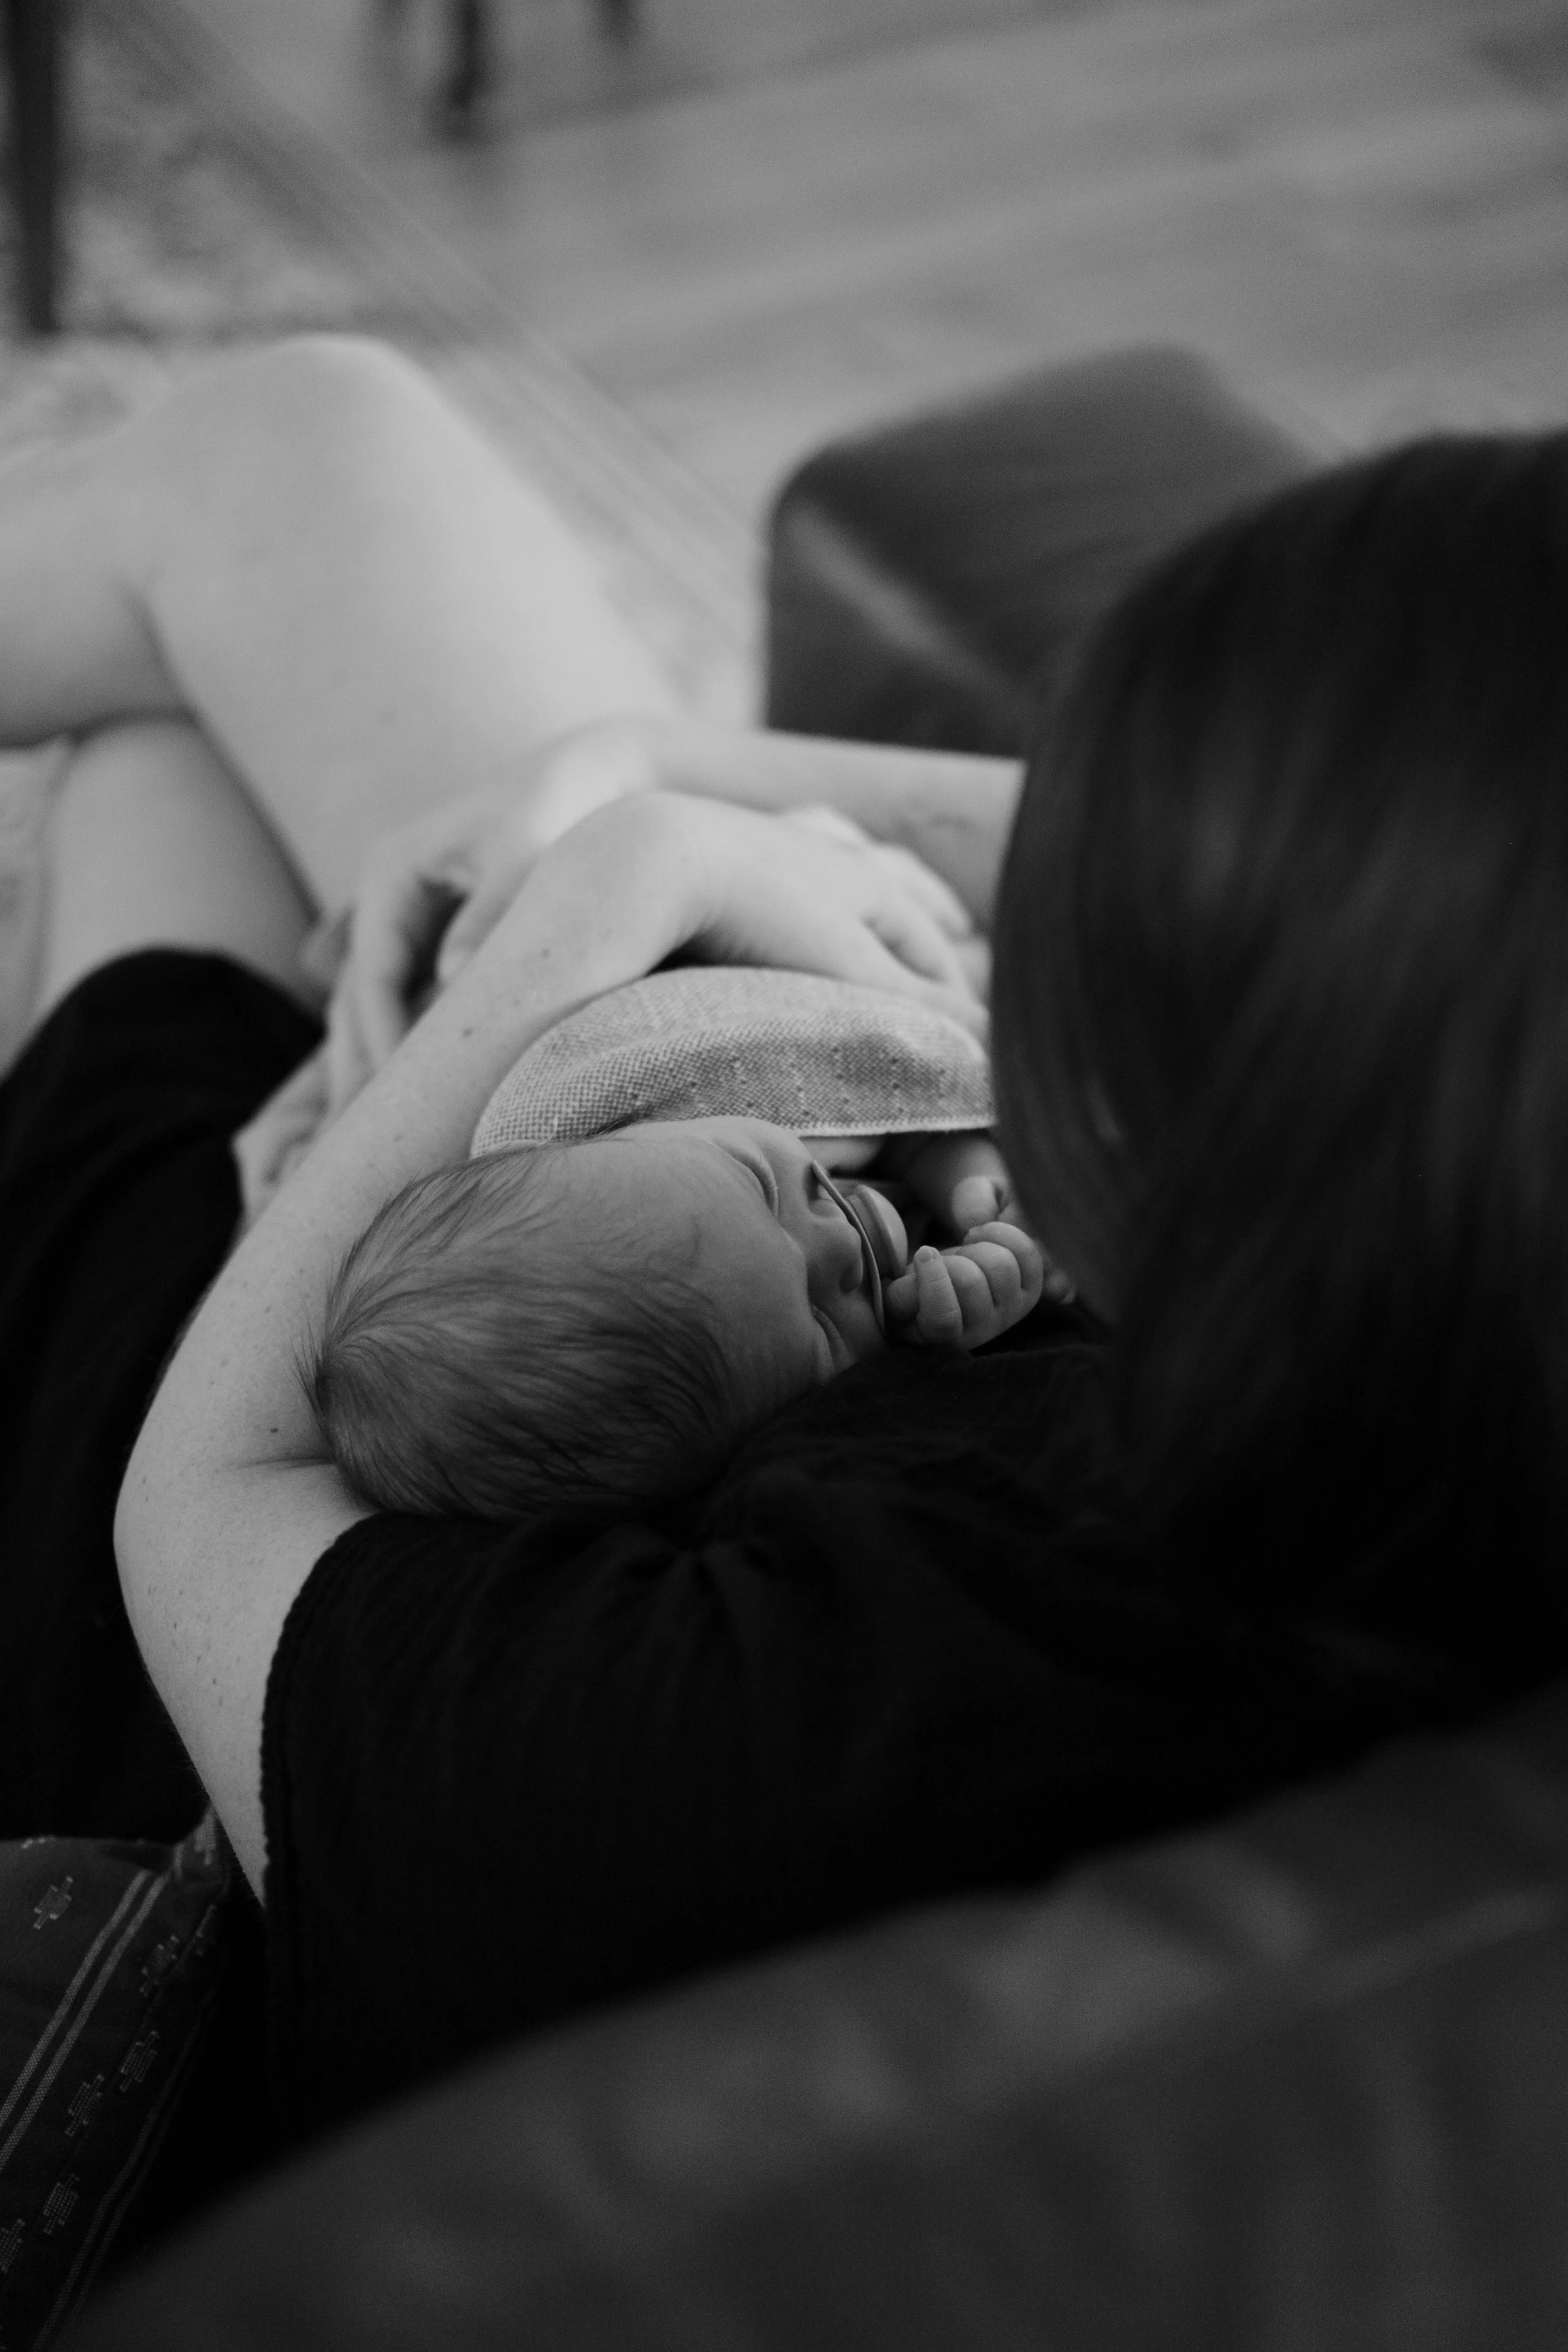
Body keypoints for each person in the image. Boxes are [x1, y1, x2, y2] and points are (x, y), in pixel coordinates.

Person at [6, 333, 1560, 2172]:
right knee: (300, 465)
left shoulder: (790, 1739)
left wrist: (569, 938)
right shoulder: (1424, 1317)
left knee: (170, 737)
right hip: (593, 1185)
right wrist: (662, 782)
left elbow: (213, 1492)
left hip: (222, 1660)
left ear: (1206, 1127)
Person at [307, 1118, 1046, 1520]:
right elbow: (933, 1129)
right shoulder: (898, 1327)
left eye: (759, 1188)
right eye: (823, 1326)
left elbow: (893, 1115)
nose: (839, 1244)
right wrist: (978, 1218)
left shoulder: (669, 1120)